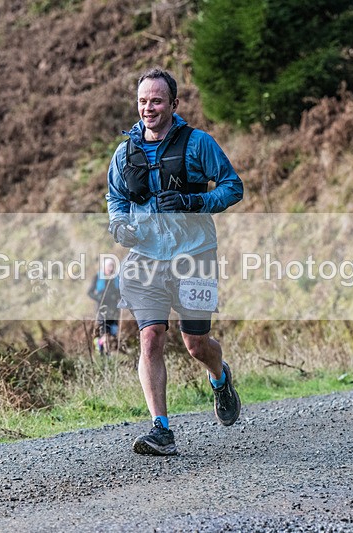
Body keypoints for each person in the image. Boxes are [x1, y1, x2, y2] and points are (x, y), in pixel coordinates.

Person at [106, 68, 243, 455]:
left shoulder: (199, 144)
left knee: (196, 344)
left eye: (157, 101)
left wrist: (194, 201)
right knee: (150, 337)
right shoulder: (124, 152)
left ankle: (219, 377)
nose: (149, 108)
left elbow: (233, 187)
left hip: (194, 255)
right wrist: (120, 229)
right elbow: (115, 201)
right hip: (144, 258)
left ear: (174, 104)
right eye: (143, 101)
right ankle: (161, 430)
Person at [87, 256, 121, 355]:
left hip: (114, 310)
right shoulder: (97, 277)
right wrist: (99, 298)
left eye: (112, 266)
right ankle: (106, 354)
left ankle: (99, 343)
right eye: (109, 266)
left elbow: (121, 291)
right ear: (104, 267)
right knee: (105, 332)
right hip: (102, 310)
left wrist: (117, 296)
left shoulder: (116, 278)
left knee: (113, 333)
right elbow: (89, 292)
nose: (111, 268)